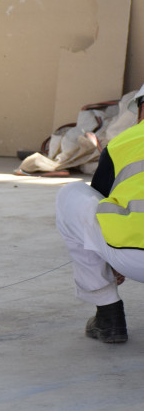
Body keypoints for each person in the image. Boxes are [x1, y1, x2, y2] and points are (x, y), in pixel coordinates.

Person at [55, 82, 144, 344]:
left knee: (71, 195)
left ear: (140, 111)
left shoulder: (122, 143)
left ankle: (108, 315)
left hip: (134, 258)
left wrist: (109, 259)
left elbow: (100, 202)